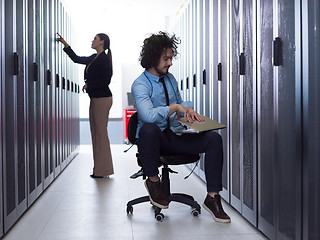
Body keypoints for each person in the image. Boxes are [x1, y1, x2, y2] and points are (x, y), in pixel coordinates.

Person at [131, 31, 230, 223]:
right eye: (166, 59)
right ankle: (153, 182)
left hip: (174, 137)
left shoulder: (170, 79)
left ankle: (212, 197)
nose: (170, 63)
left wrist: (187, 109)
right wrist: (176, 107)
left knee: (213, 139)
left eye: (170, 58)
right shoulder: (140, 85)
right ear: (152, 58)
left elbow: (179, 105)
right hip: (154, 141)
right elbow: (148, 116)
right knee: (148, 129)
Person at [57, 32, 114, 178]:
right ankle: (100, 169)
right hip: (95, 98)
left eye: (95, 38)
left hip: (102, 99)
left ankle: (103, 170)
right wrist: (65, 44)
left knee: (100, 134)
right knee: (96, 133)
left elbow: (105, 81)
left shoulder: (104, 59)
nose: (92, 40)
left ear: (102, 42)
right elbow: (77, 59)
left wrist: (89, 85)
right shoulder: (94, 58)